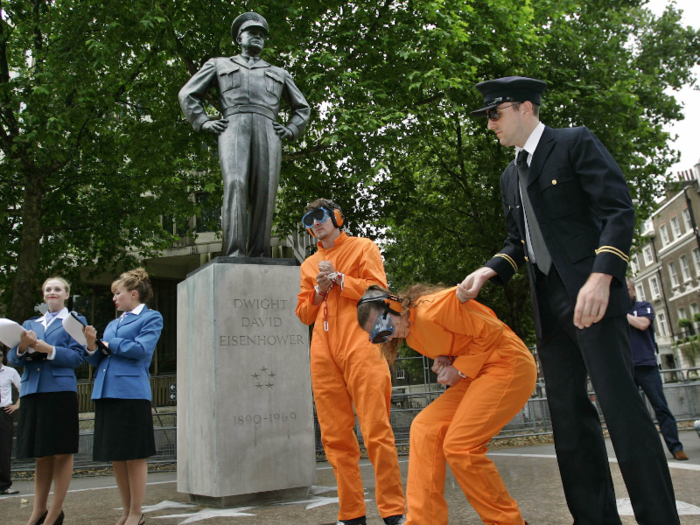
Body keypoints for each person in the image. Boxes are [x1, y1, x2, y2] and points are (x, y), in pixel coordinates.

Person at [462, 76, 680, 524]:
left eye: (494, 114)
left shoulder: (575, 144)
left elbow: (618, 210)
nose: (490, 125)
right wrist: (489, 270)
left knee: (623, 413)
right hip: (548, 308)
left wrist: (603, 276)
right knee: (569, 424)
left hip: (592, 298)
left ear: (526, 108)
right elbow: (517, 242)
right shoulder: (509, 177)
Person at [357, 285, 536, 525]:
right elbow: (462, 340)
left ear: (394, 305)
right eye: (377, 336)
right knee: (424, 428)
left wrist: (458, 369)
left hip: (507, 364)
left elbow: (491, 329)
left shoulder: (433, 309)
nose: (386, 336)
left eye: (383, 327)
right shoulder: (413, 336)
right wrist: (447, 359)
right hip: (477, 374)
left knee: (460, 446)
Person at [295, 199, 406, 525]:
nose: (314, 223)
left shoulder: (363, 248)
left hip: (362, 346)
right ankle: (352, 513)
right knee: (334, 438)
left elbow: (382, 293)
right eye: (308, 219)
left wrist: (343, 281)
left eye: (320, 216)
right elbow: (304, 314)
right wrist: (318, 291)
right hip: (323, 353)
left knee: (376, 430)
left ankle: (393, 511)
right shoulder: (308, 265)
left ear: (337, 218)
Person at [179, 11, 310, 257]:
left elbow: (302, 107)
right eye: (252, 32)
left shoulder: (280, 73)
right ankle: (235, 252)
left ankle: (259, 252)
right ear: (239, 38)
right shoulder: (219, 64)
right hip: (233, 125)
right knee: (235, 183)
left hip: (269, 129)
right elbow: (188, 94)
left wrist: (291, 129)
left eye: (262, 35)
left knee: (265, 190)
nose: (258, 37)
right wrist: (204, 121)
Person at [84, 268, 163, 525]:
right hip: (107, 391)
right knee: (117, 454)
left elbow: (142, 350)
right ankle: (126, 510)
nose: (114, 298)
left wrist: (110, 343)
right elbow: (100, 359)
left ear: (133, 293)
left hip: (131, 393)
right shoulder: (112, 323)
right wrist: (91, 345)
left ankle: (137, 511)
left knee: (134, 453)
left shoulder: (151, 317)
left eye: (117, 293)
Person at [8, 277, 86, 525]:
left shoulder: (74, 321)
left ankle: (54, 513)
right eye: (48, 289)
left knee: (62, 452)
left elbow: (77, 358)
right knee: (41, 455)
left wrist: (48, 349)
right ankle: (38, 511)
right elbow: (13, 359)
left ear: (66, 294)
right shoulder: (30, 324)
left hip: (60, 392)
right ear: (43, 296)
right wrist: (22, 346)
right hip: (33, 392)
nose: (53, 292)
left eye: (58, 289)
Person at [626, 277, 688, 460]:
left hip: (646, 366)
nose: (625, 292)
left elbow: (642, 324)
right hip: (627, 368)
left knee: (661, 407)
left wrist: (622, 314)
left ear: (633, 290)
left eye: (627, 288)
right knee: (633, 412)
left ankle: (676, 447)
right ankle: (643, 451)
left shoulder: (643, 306)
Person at [0, 349, 21, 496]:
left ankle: (4, 485)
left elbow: (23, 388)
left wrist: (17, 405)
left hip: (4, 412)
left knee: (4, 449)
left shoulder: (10, 372)